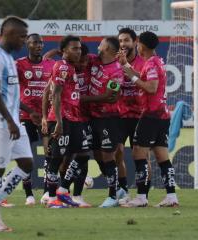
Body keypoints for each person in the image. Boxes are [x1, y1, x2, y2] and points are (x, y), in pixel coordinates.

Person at [0, 16, 40, 232]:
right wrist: (8, 120)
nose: (24, 41)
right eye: (22, 37)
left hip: (13, 121)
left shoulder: (9, 58)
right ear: (9, 34)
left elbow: (10, 94)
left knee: (26, 164)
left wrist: (29, 112)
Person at [121, 31, 179, 208]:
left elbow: (151, 88)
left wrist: (131, 76)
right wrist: (127, 67)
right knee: (162, 156)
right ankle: (171, 196)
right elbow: (145, 76)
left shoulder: (152, 63)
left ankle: (141, 197)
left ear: (141, 46)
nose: (136, 47)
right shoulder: (155, 61)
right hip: (161, 115)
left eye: (137, 44)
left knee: (139, 153)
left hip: (151, 115)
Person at [41, 35, 90, 208]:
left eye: (79, 48)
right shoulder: (62, 66)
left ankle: (62, 191)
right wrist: (58, 121)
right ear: (64, 51)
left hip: (74, 118)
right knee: (56, 158)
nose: (78, 51)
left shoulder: (69, 67)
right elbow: (55, 94)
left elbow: (49, 90)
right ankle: (52, 198)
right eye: (74, 48)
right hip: (64, 119)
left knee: (83, 154)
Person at [81, 36, 124, 208]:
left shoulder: (116, 71)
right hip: (93, 117)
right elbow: (77, 57)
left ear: (106, 48)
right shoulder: (93, 60)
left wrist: (83, 99)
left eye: (101, 44)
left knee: (108, 155)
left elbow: (110, 97)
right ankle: (118, 188)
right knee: (98, 155)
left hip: (109, 118)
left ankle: (113, 196)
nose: (97, 46)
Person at [16, 33, 56, 205]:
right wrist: (29, 110)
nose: (38, 45)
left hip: (46, 116)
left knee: (50, 152)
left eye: (40, 43)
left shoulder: (51, 65)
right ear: (27, 44)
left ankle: (48, 191)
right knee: (25, 155)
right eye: (34, 43)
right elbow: (10, 93)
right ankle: (28, 194)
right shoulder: (18, 65)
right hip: (25, 115)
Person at [116, 27, 146, 204]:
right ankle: (123, 191)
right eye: (120, 41)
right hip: (120, 115)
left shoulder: (144, 62)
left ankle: (143, 194)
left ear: (135, 42)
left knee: (140, 155)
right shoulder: (114, 61)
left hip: (140, 115)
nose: (123, 44)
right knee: (116, 152)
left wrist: (126, 65)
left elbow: (145, 80)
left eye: (126, 40)